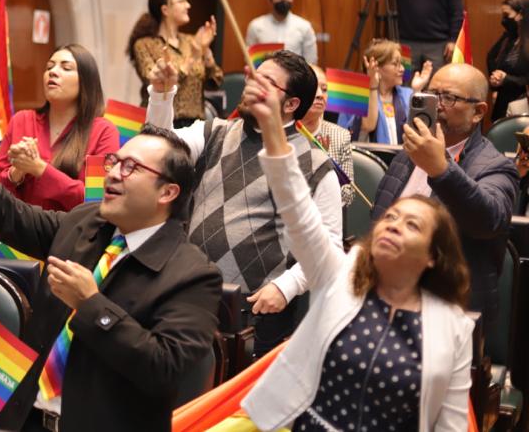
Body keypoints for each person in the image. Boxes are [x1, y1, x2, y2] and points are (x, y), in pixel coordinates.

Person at [0, 121, 221, 432]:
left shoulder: (193, 275)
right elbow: (12, 216)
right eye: (114, 161)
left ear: (167, 192)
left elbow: (165, 369)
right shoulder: (86, 223)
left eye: (131, 167)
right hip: (27, 419)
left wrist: (91, 304)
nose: (113, 174)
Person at [237, 68, 474, 431]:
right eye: (391, 217)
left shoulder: (454, 328)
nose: (393, 224)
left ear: (432, 256)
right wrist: (272, 131)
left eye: (412, 225)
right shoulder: (339, 276)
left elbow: (451, 425)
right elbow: (298, 212)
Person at [148, 50, 342, 357]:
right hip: (188, 291)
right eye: (254, 75)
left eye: (266, 82)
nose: (251, 84)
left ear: (291, 104)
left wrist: (286, 287)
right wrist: (161, 95)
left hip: (257, 313)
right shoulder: (214, 131)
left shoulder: (316, 165)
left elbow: (331, 248)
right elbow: (158, 152)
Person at [372, 63, 519, 331]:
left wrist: (441, 169)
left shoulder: (496, 167)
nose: (436, 105)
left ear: (478, 112)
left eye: (448, 98)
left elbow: (489, 220)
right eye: (431, 94)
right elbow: (379, 221)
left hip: (450, 312)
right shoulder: (406, 156)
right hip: (385, 300)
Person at [0, 44, 120, 212]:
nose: (53, 72)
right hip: (18, 227)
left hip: (72, 228)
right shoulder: (22, 120)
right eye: (49, 67)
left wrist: (39, 169)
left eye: (66, 68)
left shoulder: (103, 131)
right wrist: (16, 172)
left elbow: (97, 203)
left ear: (86, 81)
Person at [127, 0, 222, 127]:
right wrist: (192, 58)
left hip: (195, 126)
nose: (188, 5)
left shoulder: (190, 41)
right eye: (181, 1)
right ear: (165, 10)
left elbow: (215, 81)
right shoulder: (145, 44)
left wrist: (206, 49)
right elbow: (158, 83)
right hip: (161, 124)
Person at [339, 38, 432, 144]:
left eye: (401, 64)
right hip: (369, 154)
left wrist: (417, 90)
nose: (402, 69)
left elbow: (420, 130)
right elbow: (368, 126)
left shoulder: (407, 94)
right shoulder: (356, 96)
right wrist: (373, 87)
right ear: (377, 67)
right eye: (395, 64)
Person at [301, 65, 355, 207]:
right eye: (314, 88)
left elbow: (348, 193)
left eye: (324, 89)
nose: (320, 95)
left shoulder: (340, 136)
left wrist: (324, 169)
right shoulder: (284, 132)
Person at [245, 0, 318, 63]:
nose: (284, 0)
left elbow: (311, 62)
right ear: (270, 0)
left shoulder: (304, 26)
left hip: (295, 71)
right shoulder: (256, 26)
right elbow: (249, 59)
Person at [487, 0, 529, 119]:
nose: (504, 20)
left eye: (507, 15)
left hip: (523, 103)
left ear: (520, 14)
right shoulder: (509, 36)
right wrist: (495, 82)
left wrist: (507, 79)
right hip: (503, 100)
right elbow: (491, 57)